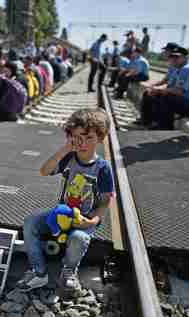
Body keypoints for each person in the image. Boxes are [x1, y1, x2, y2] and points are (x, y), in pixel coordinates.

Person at [16, 109, 115, 294]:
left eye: (89, 138)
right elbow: (44, 171)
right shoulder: (69, 158)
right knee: (31, 222)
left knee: (79, 238)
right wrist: (65, 149)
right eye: (78, 137)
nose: (83, 143)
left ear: (100, 138)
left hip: (83, 219)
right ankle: (39, 272)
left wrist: (93, 221)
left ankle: (69, 271)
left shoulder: (103, 168)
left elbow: (105, 201)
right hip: (61, 214)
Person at [149, 46, 189, 130]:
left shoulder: (187, 69)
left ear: (186, 57)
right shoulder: (181, 68)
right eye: (172, 57)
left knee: (166, 98)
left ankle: (164, 127)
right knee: (160, 95)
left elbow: (179, 91)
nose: (174, 59)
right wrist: (160, 90)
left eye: (177, 57)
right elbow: (173, 87)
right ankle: (158, 123)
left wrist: (160, 90)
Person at [135, 42, 181, 125]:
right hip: (172, 90)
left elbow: (177, 88)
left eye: (166, 51)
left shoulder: (179, 65)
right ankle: (146, 120)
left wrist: (158, 89)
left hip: (177, 93)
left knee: (157, 96)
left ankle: (157, 122)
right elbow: (165, 80)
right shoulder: (172, 65)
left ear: (172, 52)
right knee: (147, 92)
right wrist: (152, 86)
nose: (164, 53)